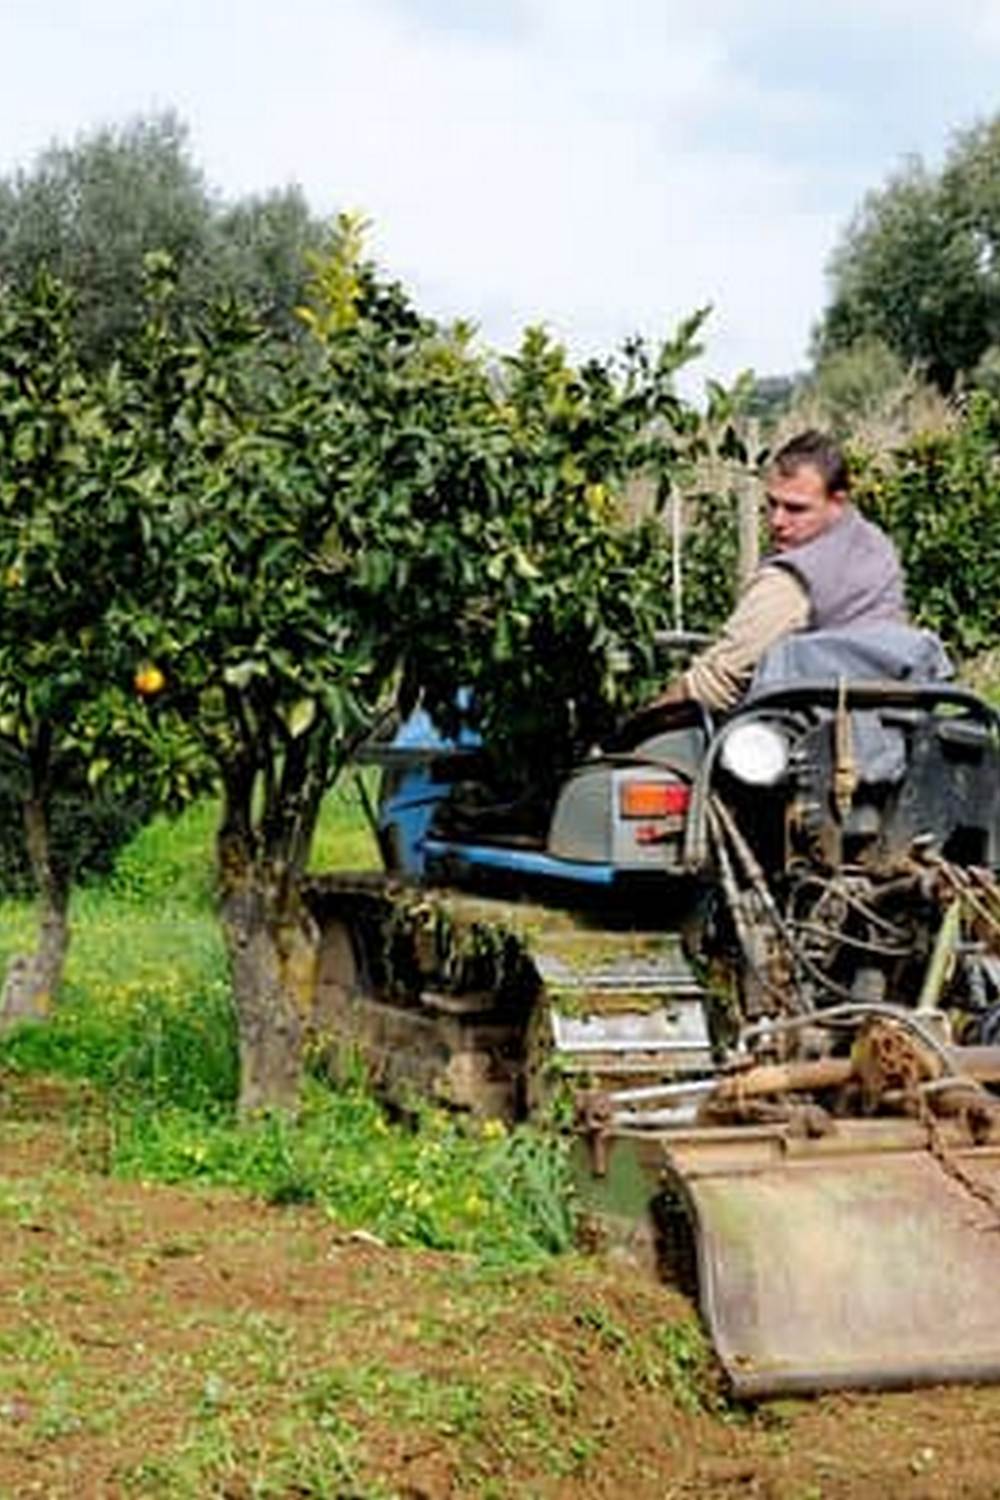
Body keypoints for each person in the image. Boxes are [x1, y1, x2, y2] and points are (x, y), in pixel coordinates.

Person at [653, 429, 906, 713]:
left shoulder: (790, 582)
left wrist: (633, 736)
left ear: (838, 502)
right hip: (888, 726)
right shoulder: (877, 546)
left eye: (796, 509)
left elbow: (711, 685)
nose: (777, 521)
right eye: (772, 504)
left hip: (813, 740)